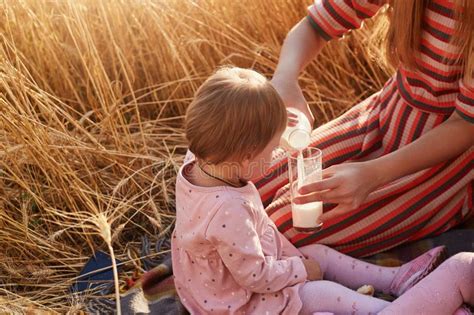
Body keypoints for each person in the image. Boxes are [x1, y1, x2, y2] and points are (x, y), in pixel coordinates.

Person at [172, 67, 473, 314]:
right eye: (271, 149)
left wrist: (276, 126)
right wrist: (302, 272)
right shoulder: (229, 210)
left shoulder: (201, 157)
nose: (277, 153)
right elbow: (256, 277)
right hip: (241, 302)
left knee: (316, 253)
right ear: (247, 156)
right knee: (322, 291)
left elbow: (234, 122)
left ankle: (396, 279)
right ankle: (385, 309)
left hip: (208, 287)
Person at [251, 0, 474, 257]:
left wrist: (372, 175)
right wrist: (284, 80)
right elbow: (313, 26)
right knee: (246, 181)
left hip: (442, 156)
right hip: (382, 115)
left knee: (285, 227)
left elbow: (466, 123)